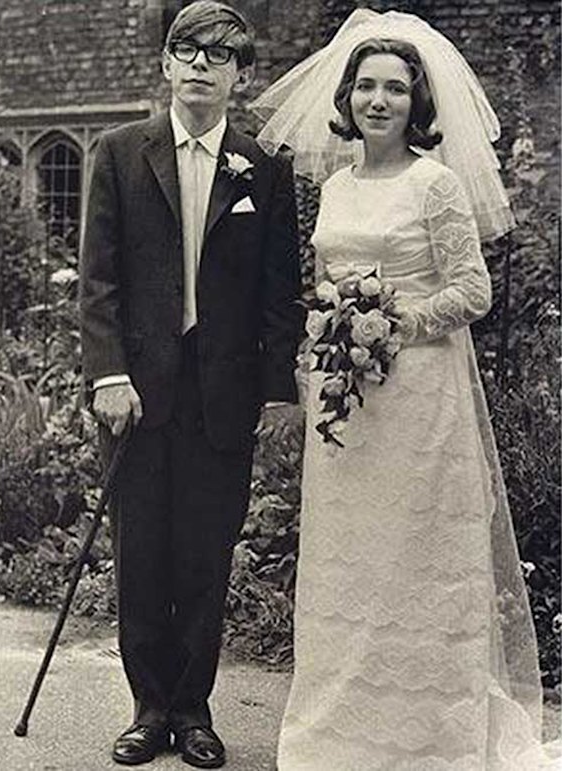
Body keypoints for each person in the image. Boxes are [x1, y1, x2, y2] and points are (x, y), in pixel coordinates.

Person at [251, 9, 561, 770]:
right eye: (366, 86)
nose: (378, 100)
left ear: (417, 104)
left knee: (417, 558)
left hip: (420, 395)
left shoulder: (437, 184)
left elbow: (472, 290)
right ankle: (340, 730)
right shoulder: (336, 184)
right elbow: (324, 281)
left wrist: (393, 320)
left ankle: (428, 736)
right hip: (345, 402)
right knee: (350, 557)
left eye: (395, 88)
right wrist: (326, 338)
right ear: (349, 98)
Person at [79, 2, 302, 767]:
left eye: (219, 54)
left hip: (223, 398)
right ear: (166, 66)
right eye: (188, 51)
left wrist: (278, 392)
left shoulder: (265, 170)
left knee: (207, 555)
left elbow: (281, 294)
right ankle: (148, 708)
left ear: (241, 75)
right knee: (141, 552)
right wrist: (108, 374)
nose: (201, 65)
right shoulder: (116, 151)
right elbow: (99, 281)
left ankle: (195, 709)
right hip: (135, 394)